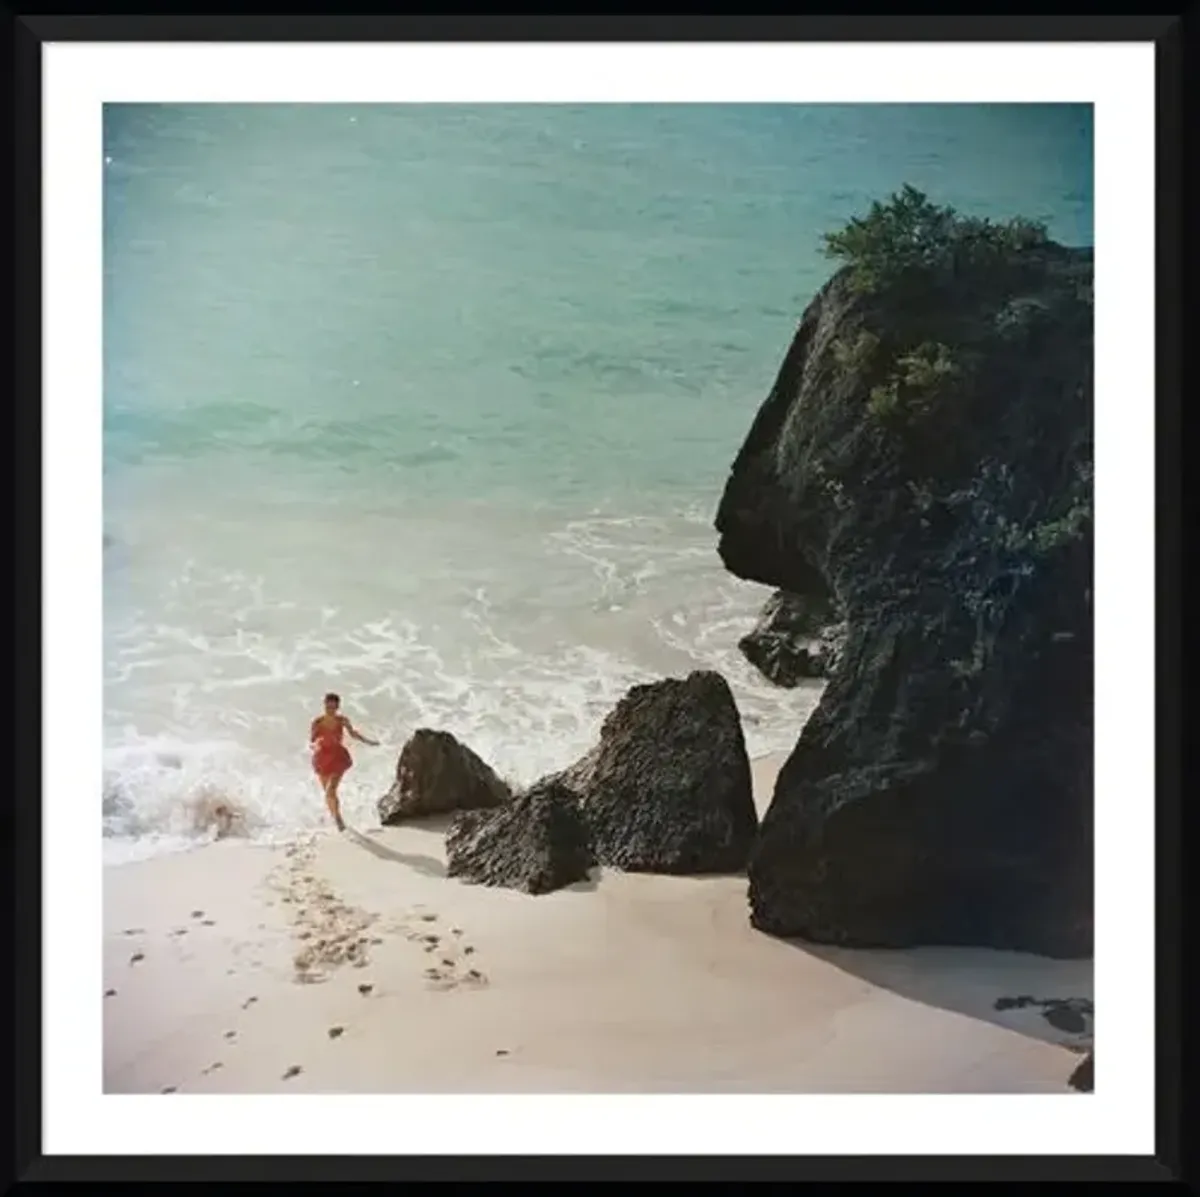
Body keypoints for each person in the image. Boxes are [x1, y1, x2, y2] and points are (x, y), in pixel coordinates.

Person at [309, 692, 379, 832]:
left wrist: (368, 741)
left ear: (337, 707)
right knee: (328, 794)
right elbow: (312, 740)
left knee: (331, 791)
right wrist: (315, 745)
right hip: (322, 758)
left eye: (333, 707)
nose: (330, 710)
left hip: (337, 757)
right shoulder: (317, 722)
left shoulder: (342, 720)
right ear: (324, 705)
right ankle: (335, 816)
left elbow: (353, 734)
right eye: (328, 707)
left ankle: (338, 821)